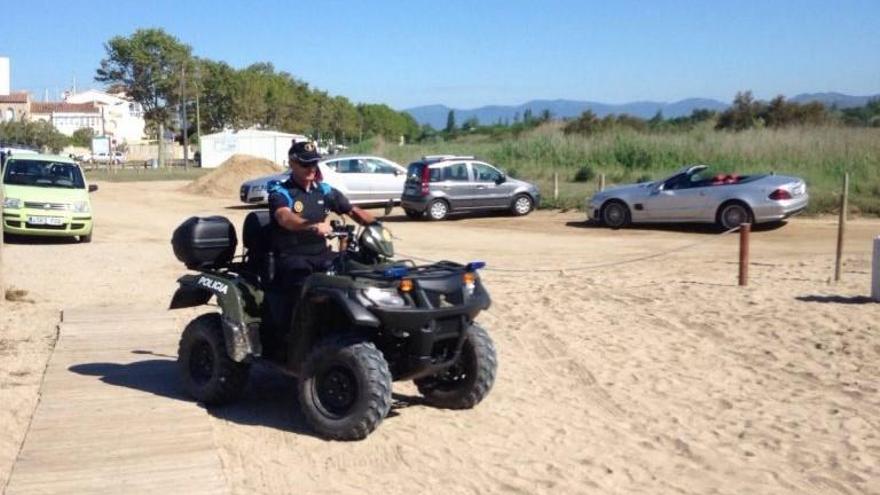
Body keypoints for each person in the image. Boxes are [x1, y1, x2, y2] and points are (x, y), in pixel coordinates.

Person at [267, 140, 377, 290]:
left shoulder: (324, 191)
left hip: (321, 254)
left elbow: (352, 210)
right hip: (293, 257)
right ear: (292, 163)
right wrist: (312, 226)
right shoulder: (282, 193)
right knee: (310, 287)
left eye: (314, 163)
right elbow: (284, 218)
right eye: (305, 164)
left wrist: (376, 225)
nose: (311, 169)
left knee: (355, 274)